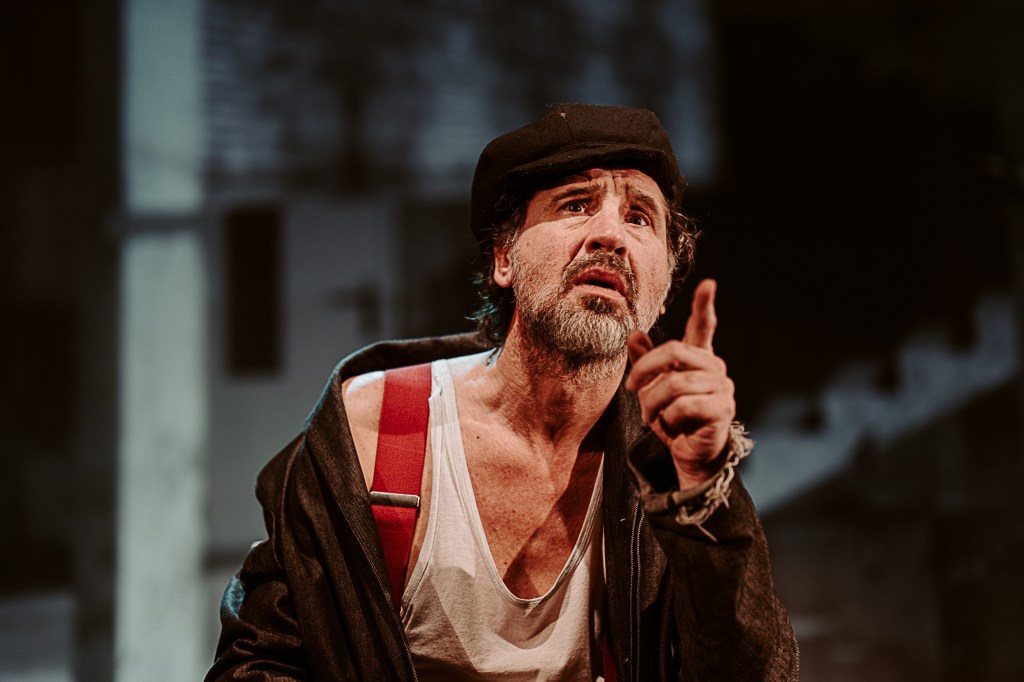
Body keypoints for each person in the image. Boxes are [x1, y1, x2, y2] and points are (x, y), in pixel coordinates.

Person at [207, 104, 798, 681]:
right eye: (576, 204)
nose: (611, 235)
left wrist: (704, 491)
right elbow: (260, 660)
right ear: (504, 257)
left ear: (664, 286)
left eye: (640, 217)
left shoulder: (669, 466)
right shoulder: (372, 428)